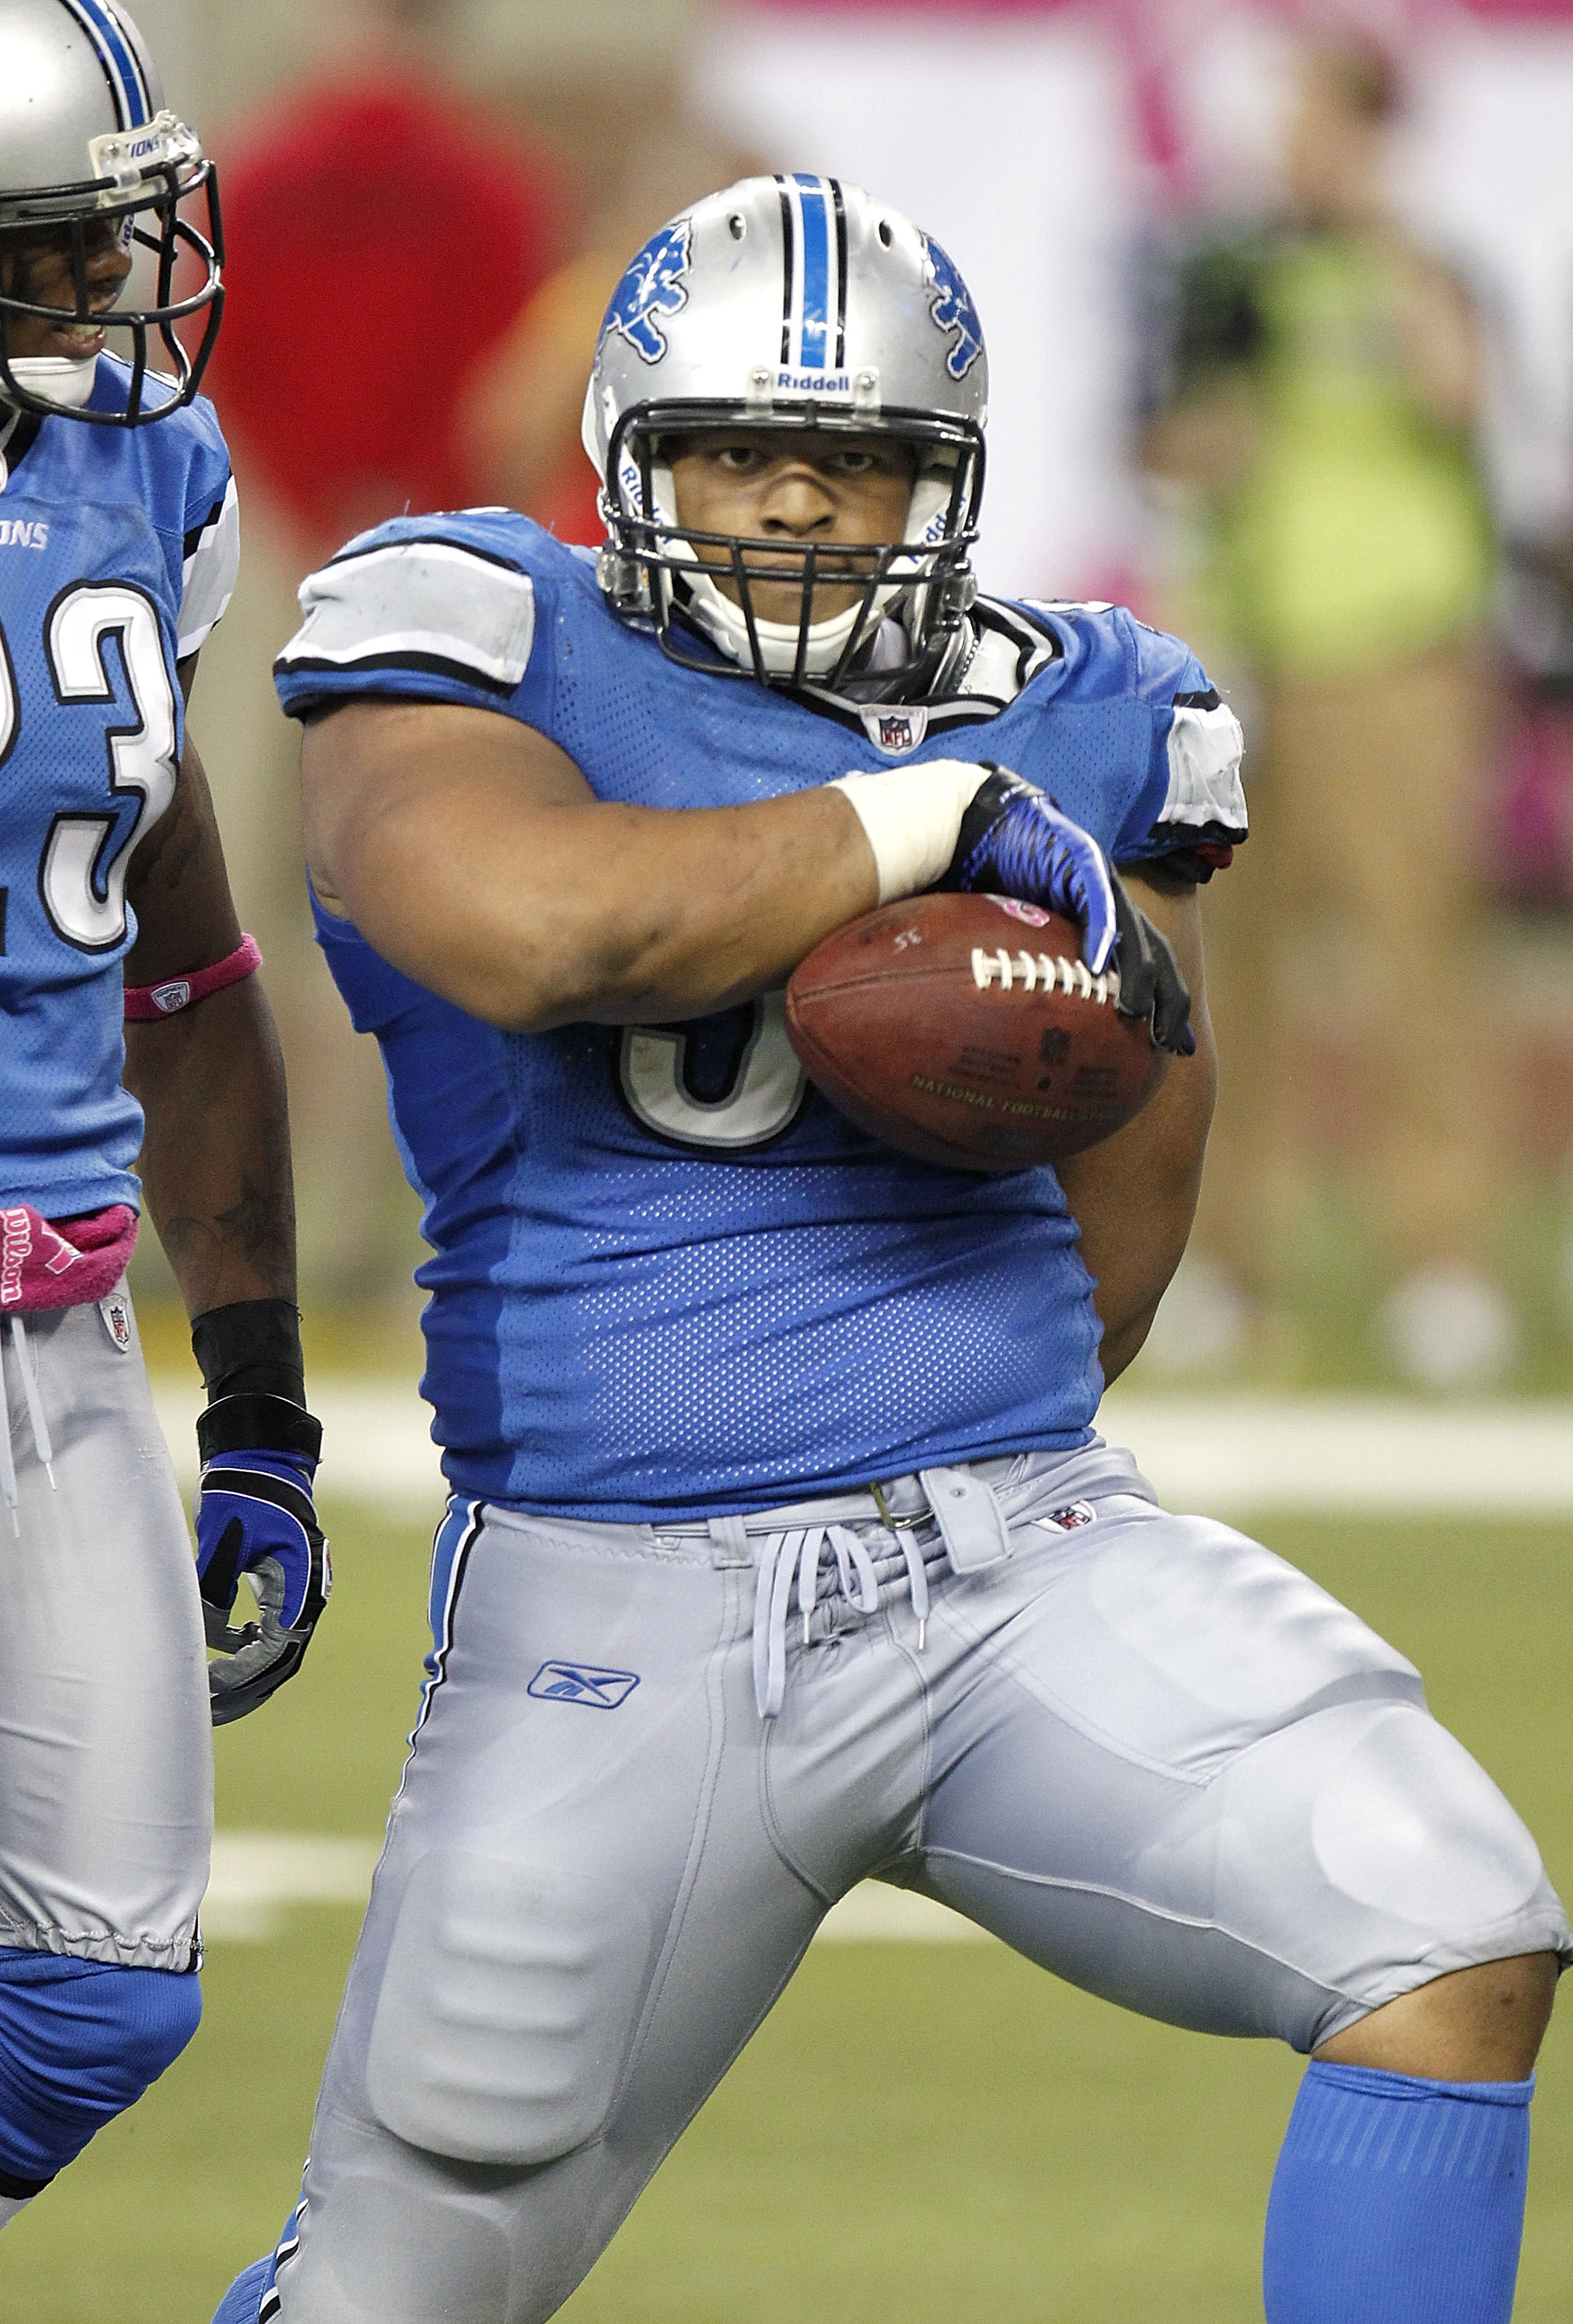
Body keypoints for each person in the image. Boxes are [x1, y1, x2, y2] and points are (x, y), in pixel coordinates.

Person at [218, 178, 1563, 2324]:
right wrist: (922, 821)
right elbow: (534, 926)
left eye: (847, 467)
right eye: (732, 453)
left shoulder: (1099, 701)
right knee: (401, 2286)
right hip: (622, 1597)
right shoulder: (470, 621)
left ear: (940, 487)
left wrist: (967, 1418)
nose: (784, 512)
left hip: (1010, 1551)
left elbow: (1140, 1175)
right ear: (622, 454)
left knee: (1439, 1921)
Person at [0, 5, 328, 2317]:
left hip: (60, 1297)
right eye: (49, 250)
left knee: (105, 1987)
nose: (115, 294)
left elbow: (185, 965)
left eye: (119, 241)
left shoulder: (147, 473)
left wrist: (271, 1398)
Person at [1140, 36, 1504, 1385]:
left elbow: (1464, 397)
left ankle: (1441, 1256)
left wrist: (1375, 247)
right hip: (1255, 646)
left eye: (1311, 118)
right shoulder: (1232, 273)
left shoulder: (1424, 271)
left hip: (1397, 647)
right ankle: (1233, 1257)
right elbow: (1169, 440)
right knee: (1232, 967)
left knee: (1417, 950)